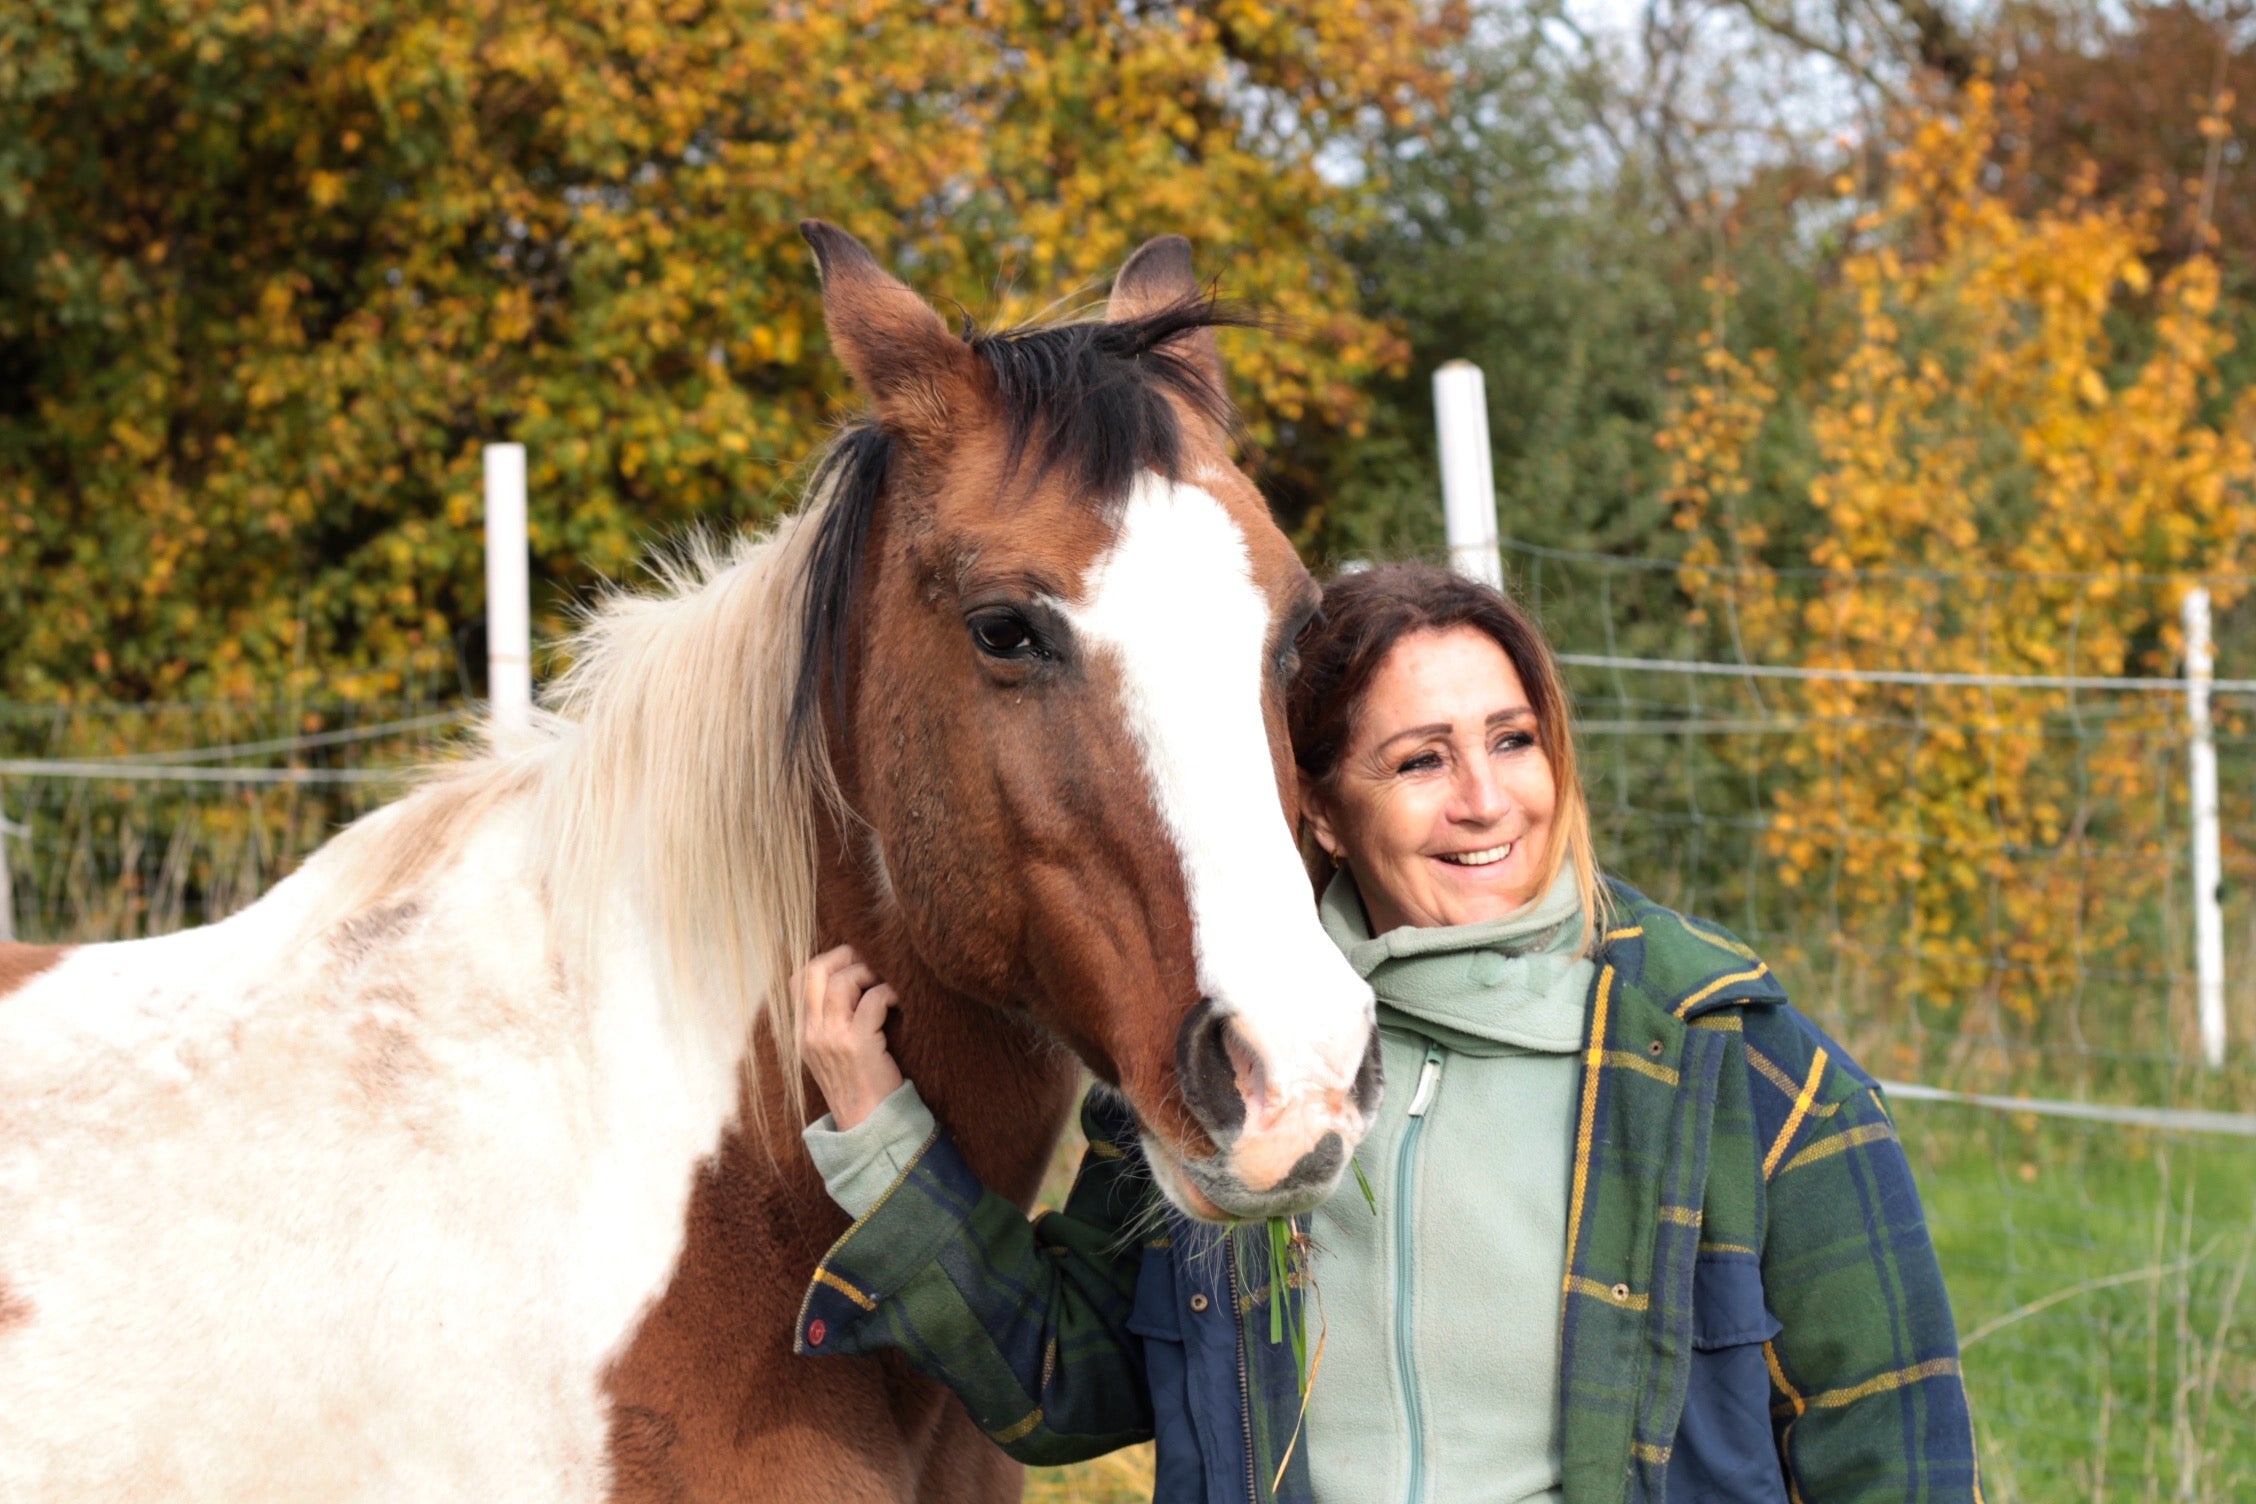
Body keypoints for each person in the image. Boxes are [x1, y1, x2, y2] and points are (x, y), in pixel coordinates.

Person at [790, 563, 1980, 1504]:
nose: (1486, 799)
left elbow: (1898, 1458)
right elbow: (1067, 1383)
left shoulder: (1748, 1075)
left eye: (1513, 739)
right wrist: (883, 1141)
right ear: (1321, 811)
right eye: (1420, 760)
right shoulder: (1239, 1068)